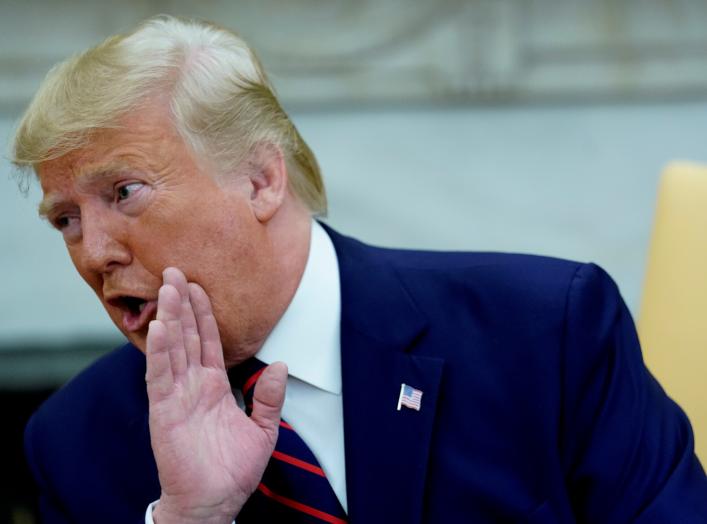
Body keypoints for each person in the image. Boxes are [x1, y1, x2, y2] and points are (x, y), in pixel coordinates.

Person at [12, 15, 707, 524]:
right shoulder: (76, 443)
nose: (93, 251)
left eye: (123, 193)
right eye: (65, 219)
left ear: (259, 179)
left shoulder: (545, 332)